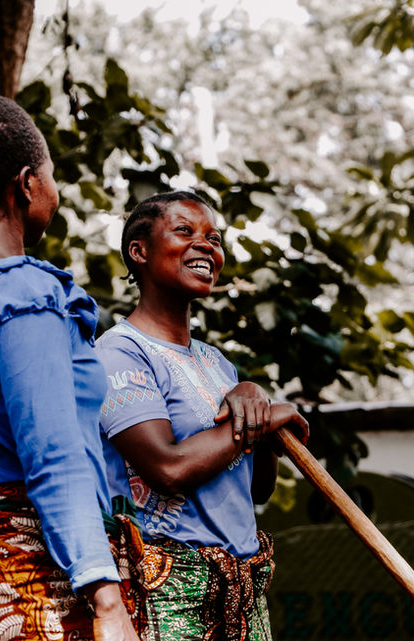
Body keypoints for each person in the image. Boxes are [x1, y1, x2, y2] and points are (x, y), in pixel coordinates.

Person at [0, 93, 142, 641]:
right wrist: (106, 596)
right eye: (50, 175)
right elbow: (54, 455)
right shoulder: (25, 292)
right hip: (31, 579)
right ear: (27, 185)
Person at [96, 191, 310, 641]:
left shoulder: (217, 364)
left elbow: (257, 487)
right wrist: (260, 418)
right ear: (139, 251)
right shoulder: (119, 352)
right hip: (171, 595)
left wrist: (254, 406)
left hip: (245, 594)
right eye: (185, 231)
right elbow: (168, 469)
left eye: (214, 238)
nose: (207, 246)